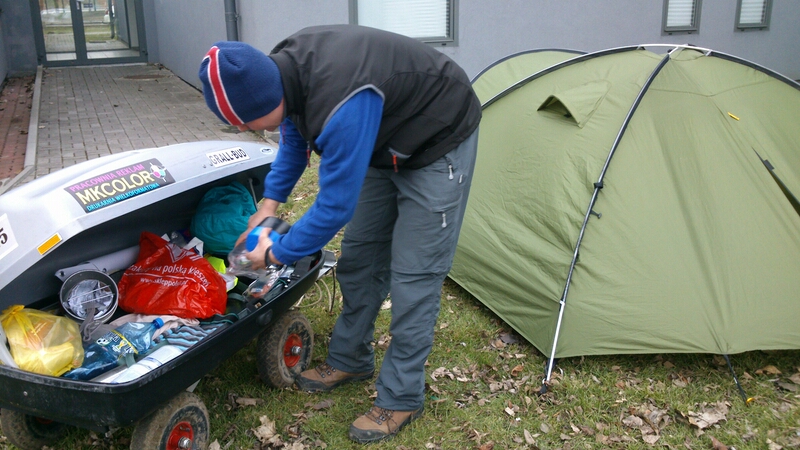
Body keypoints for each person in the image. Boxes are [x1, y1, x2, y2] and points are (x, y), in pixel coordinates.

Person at [198, 24, 481, 443]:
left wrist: (275, 254)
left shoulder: (343, 103)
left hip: (436, 139)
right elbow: (294, 136)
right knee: (361, 257)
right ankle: (351, 359)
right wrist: (269, 202)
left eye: (243, 121)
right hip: (382, 140)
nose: (243, 130)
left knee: (413, 278)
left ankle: (402, 397)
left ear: (263, 99)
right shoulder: (284, 71)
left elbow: (333, 207)